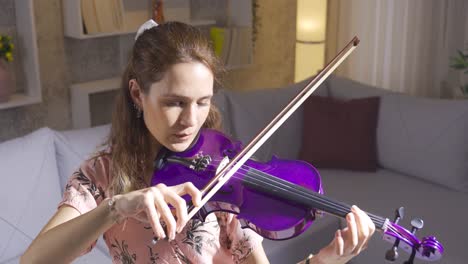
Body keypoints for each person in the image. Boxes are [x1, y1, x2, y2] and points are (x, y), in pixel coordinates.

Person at [21, 20, 375, 264]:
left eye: (202, 102)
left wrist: (326, 260)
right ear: (137, 94)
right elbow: (33, 260)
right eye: (175, 102)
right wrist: (116, 207)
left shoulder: (226, 170)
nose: (191, 121)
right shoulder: (102, 174)